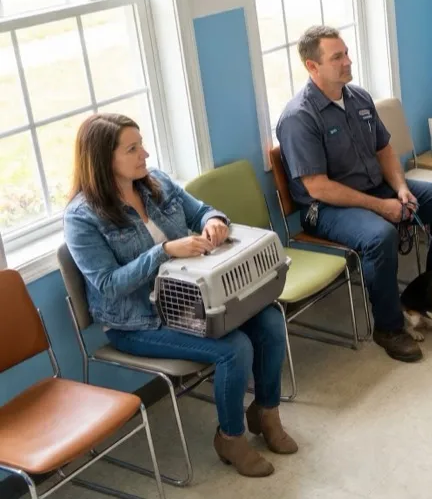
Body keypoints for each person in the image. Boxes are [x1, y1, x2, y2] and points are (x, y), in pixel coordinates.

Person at [63, 114, 295, 479]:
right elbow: (107, 284)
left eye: (141, 143)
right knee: (234, 349)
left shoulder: (156, 182)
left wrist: (213, 221)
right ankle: (231, 438)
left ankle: (265, 413)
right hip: (137, 321)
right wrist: (165, 250)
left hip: (191, 303)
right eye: (133, 148)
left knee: (269, 320)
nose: (145, 153)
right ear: (103, 159)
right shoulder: (81, 218)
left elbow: (201, 209)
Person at [276, 25, 432, 363]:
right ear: (312, 66)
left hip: (375, 188)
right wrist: (381, 206)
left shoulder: (359, 97)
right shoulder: (299, 117)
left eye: (347, 52)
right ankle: (389, 327)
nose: (348, 61)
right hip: (326, 208)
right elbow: (316, 187)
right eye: (337, 57)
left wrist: (402, 188)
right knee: (380, 235)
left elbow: (384, 149)